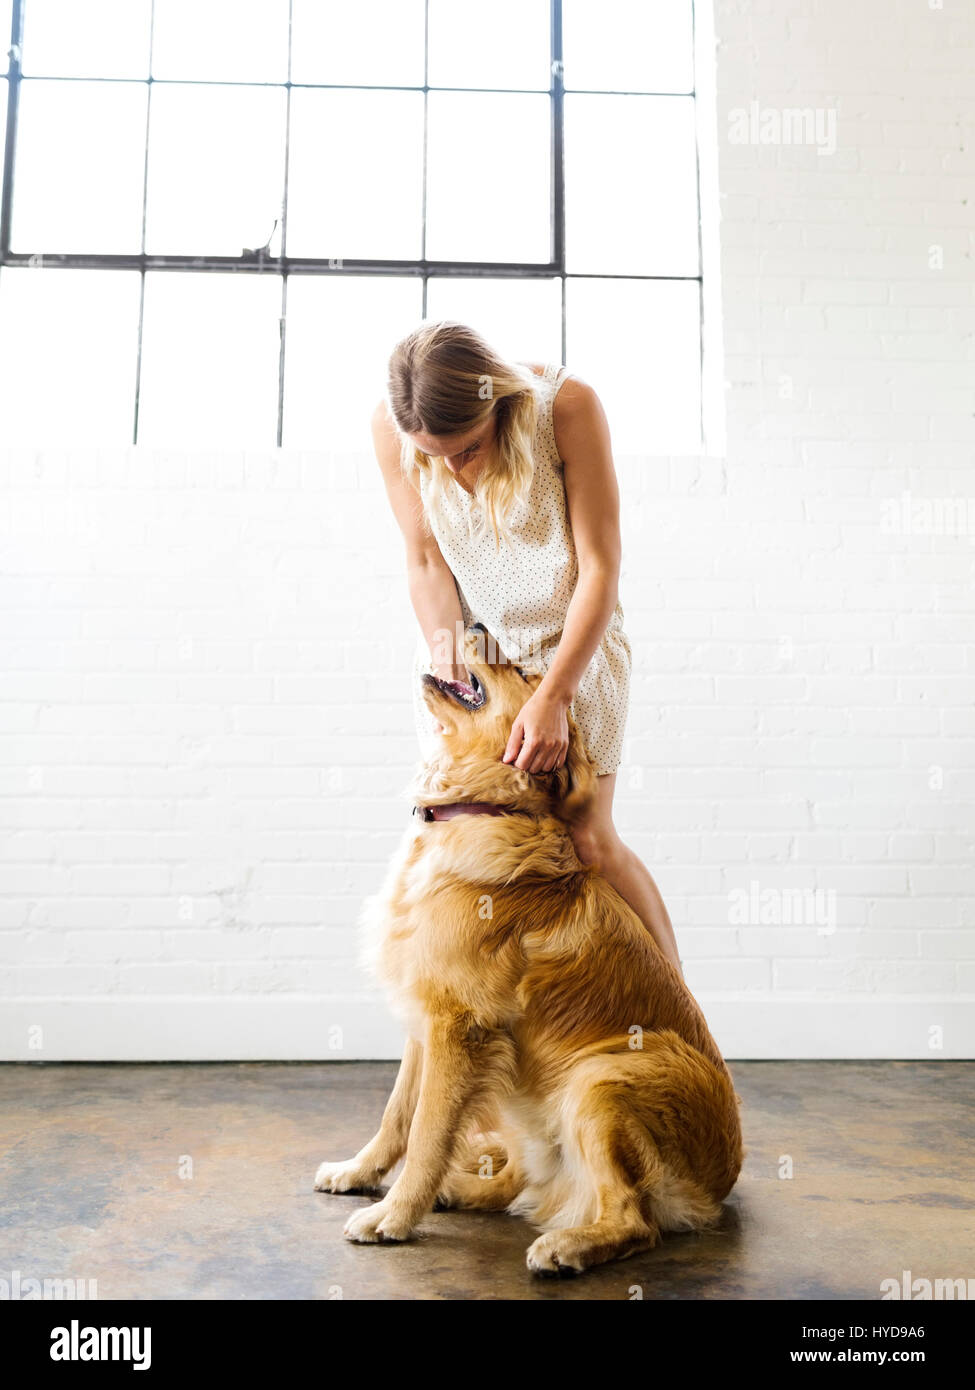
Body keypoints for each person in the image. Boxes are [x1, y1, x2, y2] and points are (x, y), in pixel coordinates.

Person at [371, 319, 682, 975]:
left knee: (586, 842)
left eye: (466, 449)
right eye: (431, 454)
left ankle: (683, 1019)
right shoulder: (393, 429)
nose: (449, 468)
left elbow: (599, 568)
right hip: (472, 657)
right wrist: (451, 672)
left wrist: (552, 696)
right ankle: (490, 1038)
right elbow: (425, 560)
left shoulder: (565, 406)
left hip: (574, 649)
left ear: (496, 404)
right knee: (453, 845)